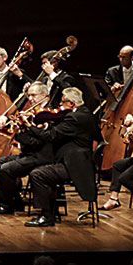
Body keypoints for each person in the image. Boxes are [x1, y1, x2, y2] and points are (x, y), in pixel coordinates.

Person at [25, 88, 102, 228]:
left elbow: (51, 136)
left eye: (63, 102)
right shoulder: (87, 114)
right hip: (82, 162)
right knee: (44, 171)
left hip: (75, 166)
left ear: (72, 104)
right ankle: (52, 212)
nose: (60, 104)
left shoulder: (74, 118)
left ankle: (47, 216)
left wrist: (29, 125)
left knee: (37, 174)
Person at [0, 82, 54, 216]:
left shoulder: (48, 116)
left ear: (45, 96)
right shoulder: (32, 112)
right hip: (29, 154)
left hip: (41, 156)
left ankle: (7, 205)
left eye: (33, 95)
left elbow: (37, 142)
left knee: (6, 169)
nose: (30, 99)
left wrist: (19, 133)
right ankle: (16, 200)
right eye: (29, 95)